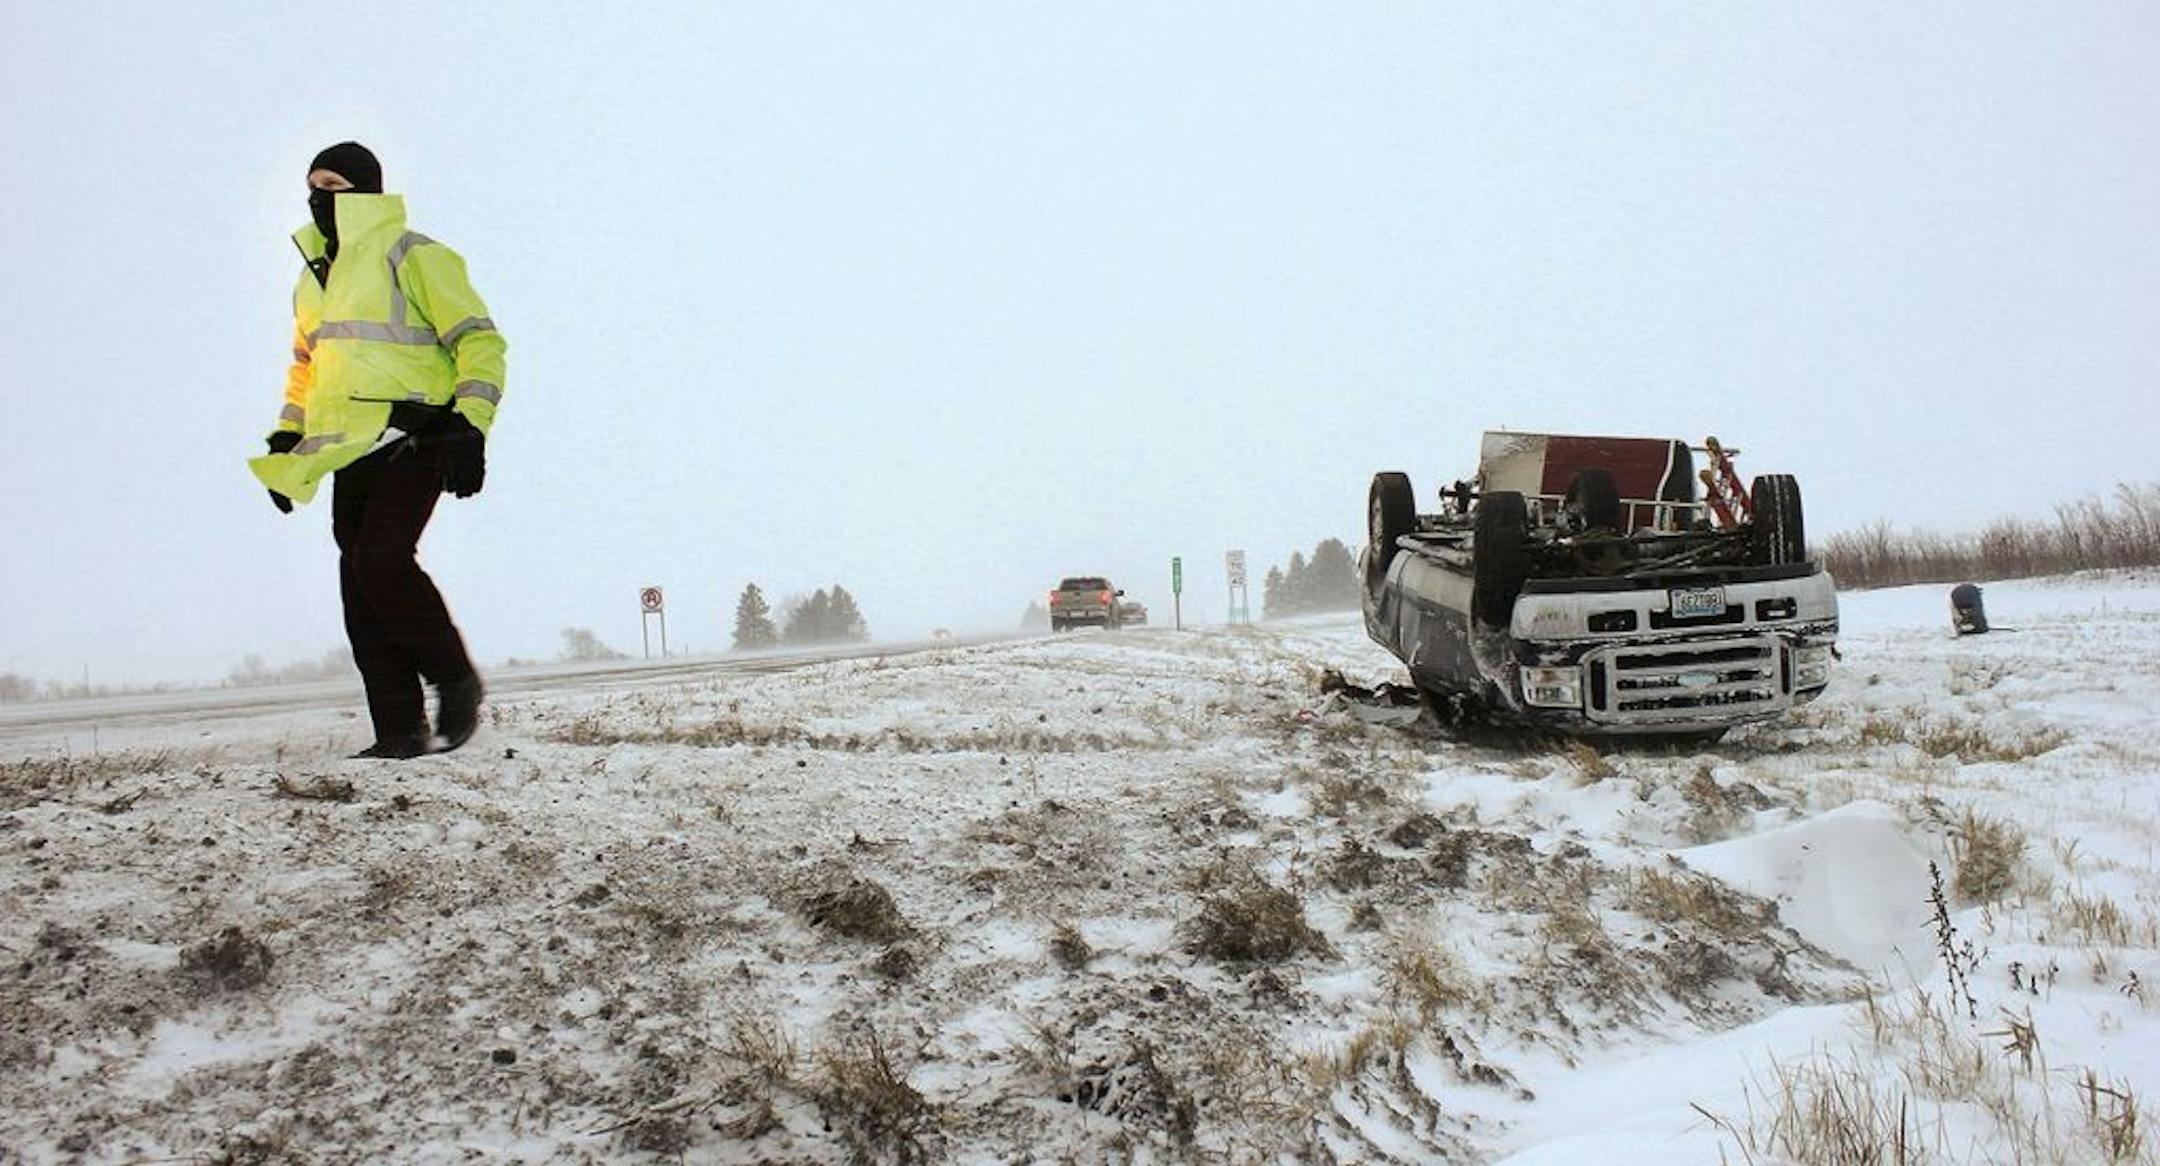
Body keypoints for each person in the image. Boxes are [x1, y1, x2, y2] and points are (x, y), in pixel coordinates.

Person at [249, 142, 506, 758]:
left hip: (415, 433)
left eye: (332, 184)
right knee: (358, 587)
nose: (318, 197)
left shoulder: (415, 254)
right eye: (312, 185)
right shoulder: (316, 278)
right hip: (348, 449)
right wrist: (289, 441)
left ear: (365, 190)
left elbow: (481, 344)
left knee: (381, 563)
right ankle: (398, 733)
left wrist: (469, 425)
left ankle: (455, 678)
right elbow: (307, 371)